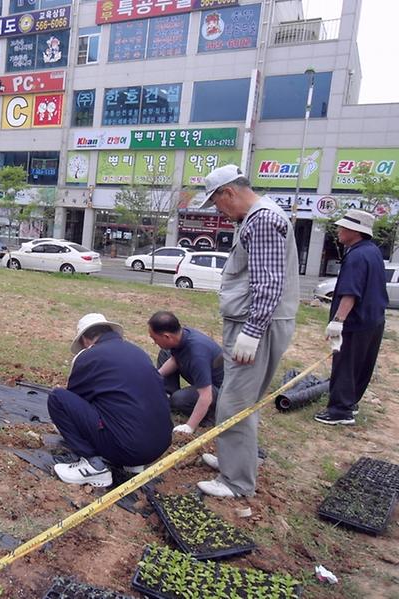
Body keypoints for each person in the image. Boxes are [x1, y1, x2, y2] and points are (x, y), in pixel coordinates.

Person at [196, 164, 299, 498]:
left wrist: (253, 332)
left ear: (229, 192)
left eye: (217, 203)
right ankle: (232, 461)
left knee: (235, 403)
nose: (220, 212)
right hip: (251, 320)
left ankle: (236, 482)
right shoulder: (252, 219)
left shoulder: (265, 220)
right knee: (236, 397)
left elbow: (268, 283)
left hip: (258, 323)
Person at [47, 313, 172, 488]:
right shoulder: (137, 351)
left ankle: (93, 465)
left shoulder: (88, 356)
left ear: (85, 339)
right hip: (159, 444)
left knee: (58, 398)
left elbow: (75, 400)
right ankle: (133, 464)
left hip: (126, 445)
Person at [315, 209, 388, 426]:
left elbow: (350, 292)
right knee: (362, 365)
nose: (338, 231)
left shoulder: (356, 256)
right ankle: (351, 403)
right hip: (374, 320)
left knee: (345, 365)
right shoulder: (373, 251)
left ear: (354, 231)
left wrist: (338, 321)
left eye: (342, 227)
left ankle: (340, 411)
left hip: (355, 322)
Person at [148, 311, 223, 435]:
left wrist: (189, 426)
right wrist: (155, 376)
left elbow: (206, 395)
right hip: (203, 379)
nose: (154, 343)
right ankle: (168, 395)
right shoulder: (182, 335)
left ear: (167, 336)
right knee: (165, 353)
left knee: (179, 399)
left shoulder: (197, 354)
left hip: (218, 391)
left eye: (155, 338)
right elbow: (175, 359)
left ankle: (210, 415)